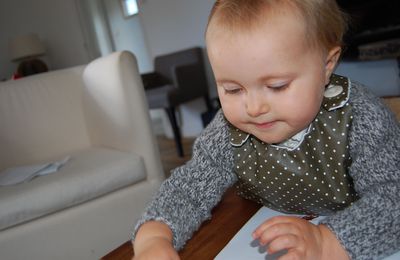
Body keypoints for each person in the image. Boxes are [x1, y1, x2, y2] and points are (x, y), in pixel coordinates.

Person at [132, 0, 400, 259]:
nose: (254, 107)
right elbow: (188, 187)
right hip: (251, 222)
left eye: (277, 86)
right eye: (233, 89)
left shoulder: (361, 118)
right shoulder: (227, 130)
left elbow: (393, 197)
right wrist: (154, 236)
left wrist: (331, 241)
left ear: (326, 65)